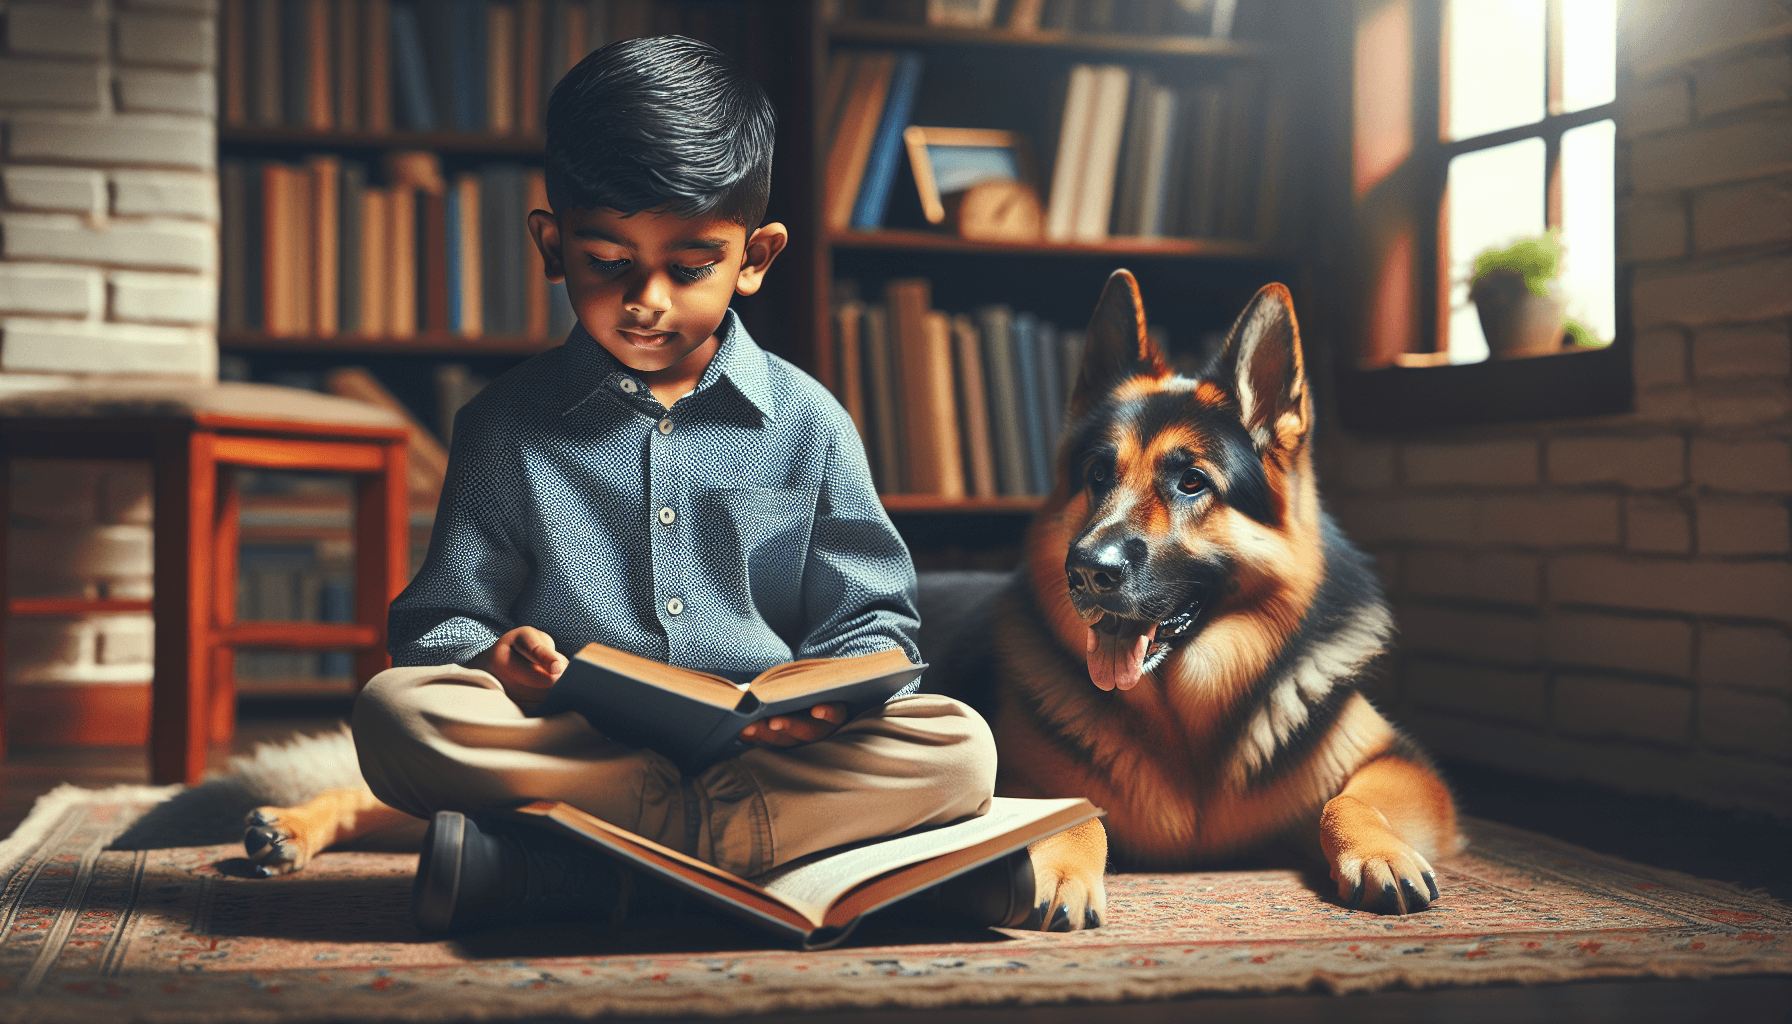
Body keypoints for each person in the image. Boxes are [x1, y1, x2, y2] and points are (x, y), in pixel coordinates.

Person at [350, 35, 998, 935]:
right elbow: (437, 626)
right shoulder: (503, 426)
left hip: (764, 757)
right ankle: (725, 847)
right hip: (582, 748)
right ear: (553, 245)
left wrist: (823, 697)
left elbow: (875, 622)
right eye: (608, 262)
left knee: (959, 746)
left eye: (691, 268)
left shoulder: (811, 422)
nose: (647, 300)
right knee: (398, 713)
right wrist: (495, 663)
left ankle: (591, 865)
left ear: (755, 256)